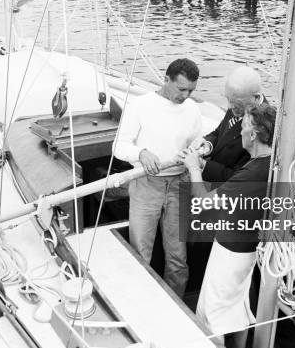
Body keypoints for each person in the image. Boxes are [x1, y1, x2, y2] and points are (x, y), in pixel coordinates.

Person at [180, 103, 276, 348]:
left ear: (253, 134)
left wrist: (193, 167)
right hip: (250, 249)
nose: (239, 132)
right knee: (237, 307)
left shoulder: (252, 172)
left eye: (243, 127)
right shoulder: (271, 162)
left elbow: (203, 201)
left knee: (209, 315)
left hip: (230, 253)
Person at [113, 58, 203, 297]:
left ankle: (176, 304)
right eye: (181, 89)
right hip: (146, 185)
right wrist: (141, 153)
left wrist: (197, 154)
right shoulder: (140, 105)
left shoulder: (193, 109)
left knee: (178, 257)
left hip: (179, 183)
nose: (185, 95)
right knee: (140, 252)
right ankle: (139, 303)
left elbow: (197, 142)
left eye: (191, 91)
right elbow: (119, 146)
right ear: (166, 80)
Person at [192, 66, 266, 183]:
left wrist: (202, 165)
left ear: (256, 98)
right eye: (228, 99)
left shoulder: (263, 127)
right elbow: (219, 132)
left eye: (236, 103)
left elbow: (240, 177)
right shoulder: (238, 104)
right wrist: (207, 145)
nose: (230, 106)